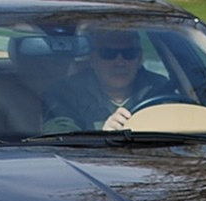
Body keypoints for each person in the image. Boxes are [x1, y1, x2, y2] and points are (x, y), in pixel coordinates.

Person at [42, 28, 172, 132]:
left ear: (140, 59)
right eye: (108, 53)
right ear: (92, 60)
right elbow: (60, 139)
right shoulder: (64, 93)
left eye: (129, 53)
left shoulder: (162, 89)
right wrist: (102, 136)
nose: (120, 62)